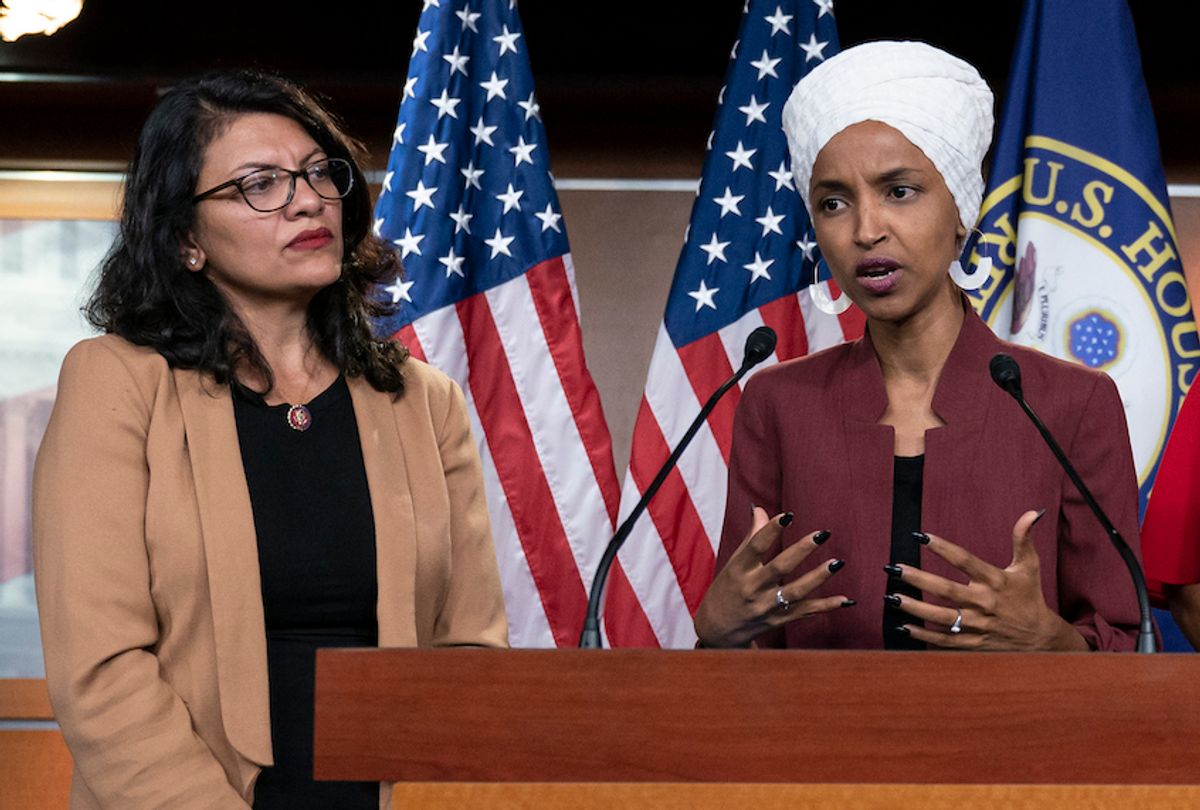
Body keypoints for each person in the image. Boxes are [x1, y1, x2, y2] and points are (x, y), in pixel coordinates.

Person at [33, 70, 508, 809]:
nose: (309, 198)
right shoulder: (115, 383)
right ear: (186, 238)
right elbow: (101, 671)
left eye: (319, 172)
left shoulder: (424, 401)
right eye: (261, 184)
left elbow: (470, 653)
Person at [693, 41, 1142, 652]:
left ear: (961, 210)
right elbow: (744, 641)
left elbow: (1129, 644)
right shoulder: (777, 402)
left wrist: (1052, 644)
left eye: (899, 191)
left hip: (1015, 744)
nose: (866, 229)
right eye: (833, 202)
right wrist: (716, 633)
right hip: (810, 742)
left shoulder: (1071, 403)